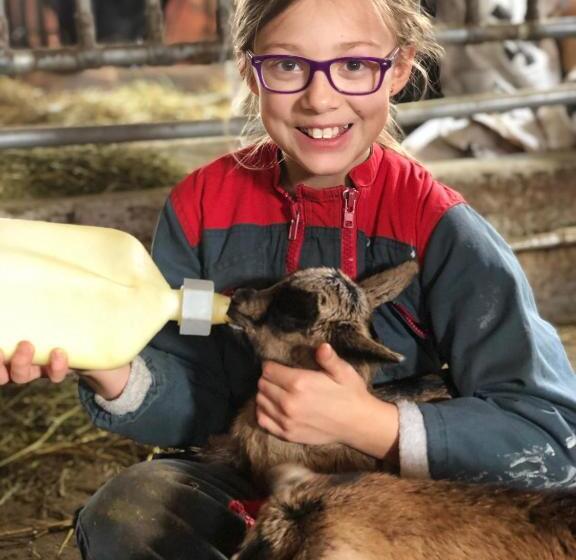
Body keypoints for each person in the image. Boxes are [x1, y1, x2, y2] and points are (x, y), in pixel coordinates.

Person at [2, 0, 576, 557]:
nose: (319, 98)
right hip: (250, 483)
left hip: (398, 507)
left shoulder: (438, 228)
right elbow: (197, 405)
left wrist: (372, 423)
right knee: (132, 511)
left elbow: (552, 436)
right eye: (286, 64)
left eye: (355, 64)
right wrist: (112, 367)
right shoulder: (201, 208)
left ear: (400, 67)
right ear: (249, 70)